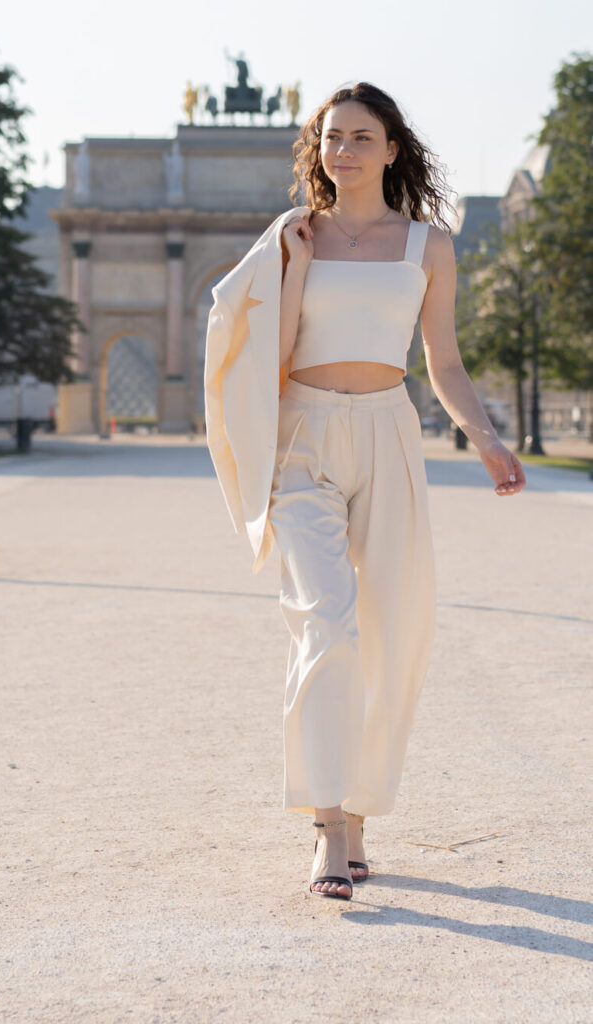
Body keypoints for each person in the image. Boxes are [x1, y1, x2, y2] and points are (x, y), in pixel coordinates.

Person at [268, 82, 527, 902]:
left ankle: (360, 814)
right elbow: (262, 357)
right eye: (329, 137)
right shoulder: (291, 236)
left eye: (359, 136)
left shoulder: (428, 246)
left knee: (390, 633)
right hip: (301, 434)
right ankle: (327, 829)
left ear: (389, 148)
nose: (341, 149)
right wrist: (298, 265)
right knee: (326, 627)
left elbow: (441, 364)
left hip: (388, 430)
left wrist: (484, 437)